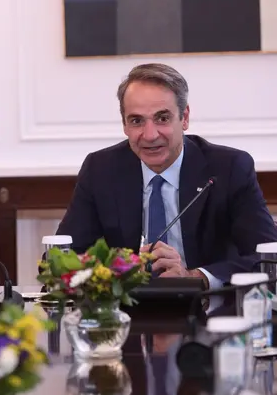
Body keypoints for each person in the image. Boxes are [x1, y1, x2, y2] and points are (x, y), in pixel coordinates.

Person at [55, 63, 277, 289]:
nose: (150, 135)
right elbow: (61, 258)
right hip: (128, 306)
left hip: (208, 305)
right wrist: (119, 271)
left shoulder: (228, 168)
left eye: (162, 118)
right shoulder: (101, 170)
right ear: (124, 125)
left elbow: (269, 258)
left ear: (184, 118)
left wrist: (195, 277)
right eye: (137, 121)